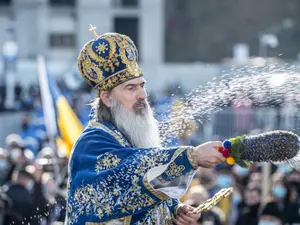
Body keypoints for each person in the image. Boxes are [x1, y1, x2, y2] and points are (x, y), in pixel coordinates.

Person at [65, 25, 226, 225]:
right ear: (106, 98)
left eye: (142, 85)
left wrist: (174, 210)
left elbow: (142, 193)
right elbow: (130, 171)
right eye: (130, 88)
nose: (142, 95)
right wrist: (191, 156)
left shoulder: (132, 138)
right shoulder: (92, 143)